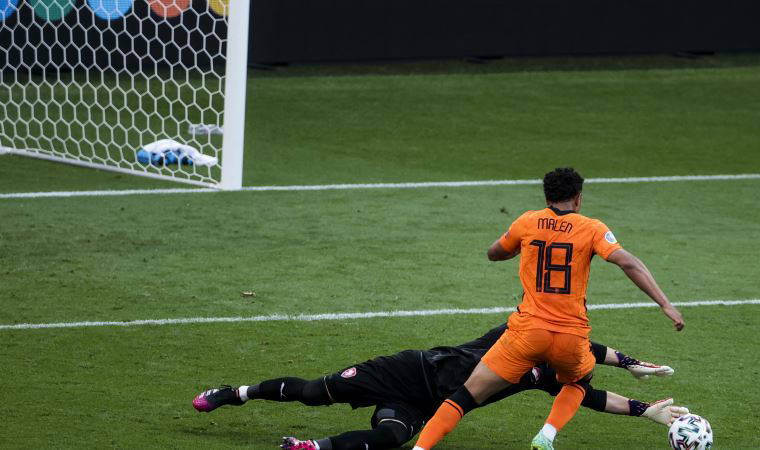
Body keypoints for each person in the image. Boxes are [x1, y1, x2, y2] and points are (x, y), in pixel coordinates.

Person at [412, 168, 685, 450]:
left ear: (546, 197)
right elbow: (628, 262)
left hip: (525, 334)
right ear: (578, 198)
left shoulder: (528, 221)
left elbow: (494, 252)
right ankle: (546, 435)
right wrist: (665, 304)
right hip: (571, 338)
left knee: (465, 396)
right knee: (580, 381)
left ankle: (421, 448)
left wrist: (518, 247)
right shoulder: (592, 228)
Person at [193, 324, 688, 450]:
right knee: (311, 393)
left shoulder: (548, 374)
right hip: (408, 370)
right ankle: (235, 393)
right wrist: (628, 361)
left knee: (391, 436)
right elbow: (588, 346)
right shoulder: (515, 336)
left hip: (426, 403)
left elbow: (591, 393)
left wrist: (646, 409)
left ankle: (310, 447)